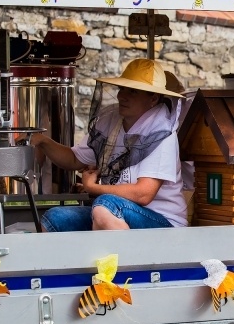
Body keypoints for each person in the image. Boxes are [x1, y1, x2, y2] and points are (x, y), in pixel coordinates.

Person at [31, 58, 188, 231]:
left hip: (163, 222)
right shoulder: (112, 120)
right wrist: (43, 141)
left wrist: (92, 187)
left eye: (133, 91)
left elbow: (144, 194)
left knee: (104, 207)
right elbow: (75, 159)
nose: (122, 96)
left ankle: (125, 259)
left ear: (153, 99)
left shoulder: (161, 131)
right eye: (122, 88)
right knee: (55, 218)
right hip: (114, 208)